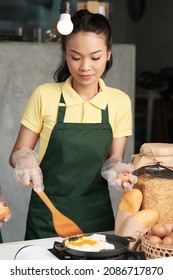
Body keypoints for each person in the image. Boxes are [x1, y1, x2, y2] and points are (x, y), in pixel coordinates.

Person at [9, 9, 134, 240]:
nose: (85, 66)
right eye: (75, 57)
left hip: (97, 217)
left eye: (95, 57)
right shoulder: (44, 96)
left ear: (108, 54)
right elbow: (16, 153)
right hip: (47, 214)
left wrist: (117, 169)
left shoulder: (119, 102)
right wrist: (24, 159)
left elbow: (113, 159)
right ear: (65, 55)